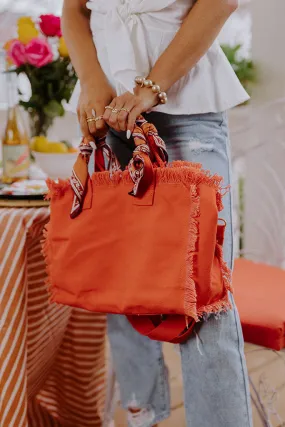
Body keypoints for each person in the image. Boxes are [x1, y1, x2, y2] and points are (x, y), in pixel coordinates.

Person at [62, 1, 253, 426]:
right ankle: (142, 417)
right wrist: (92, 82)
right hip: (109, 114)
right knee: (122, 288)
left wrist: (152, 86)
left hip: (187, 112)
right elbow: (74, 9)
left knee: (203, 294)